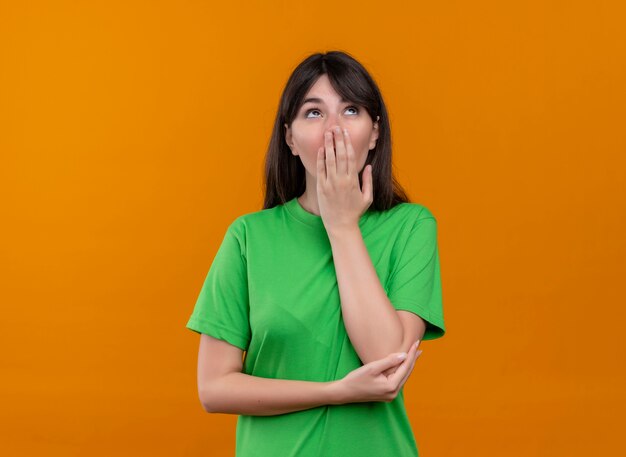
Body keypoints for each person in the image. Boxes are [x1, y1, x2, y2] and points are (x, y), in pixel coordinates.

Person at [186, 50, 446, 457]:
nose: (333, 129)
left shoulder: (410, 227)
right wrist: (335, 392)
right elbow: (214, 388)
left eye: (351, 109)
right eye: (313, 112)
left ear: (374, 133)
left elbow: (387, 360)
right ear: (289, 137)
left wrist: (342, 226)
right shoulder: (248, 237)